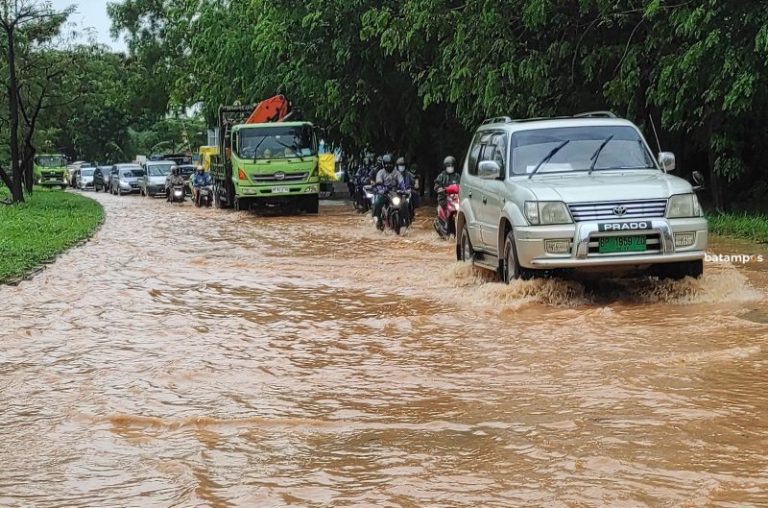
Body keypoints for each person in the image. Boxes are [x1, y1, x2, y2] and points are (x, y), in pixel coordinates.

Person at [372, 154, 404, 229]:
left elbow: (401, 182)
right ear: (383, 164)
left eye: (390, 164)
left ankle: (405, 221)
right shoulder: (380, 173)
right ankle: (378, 219)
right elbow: (378, 182)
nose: (388, 166)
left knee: (404, 203)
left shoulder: (397, 173)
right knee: (377, 203)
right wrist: (381, 189)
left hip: (394, 193)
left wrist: (403, 189)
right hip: (384, 194)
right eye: (387, 164)